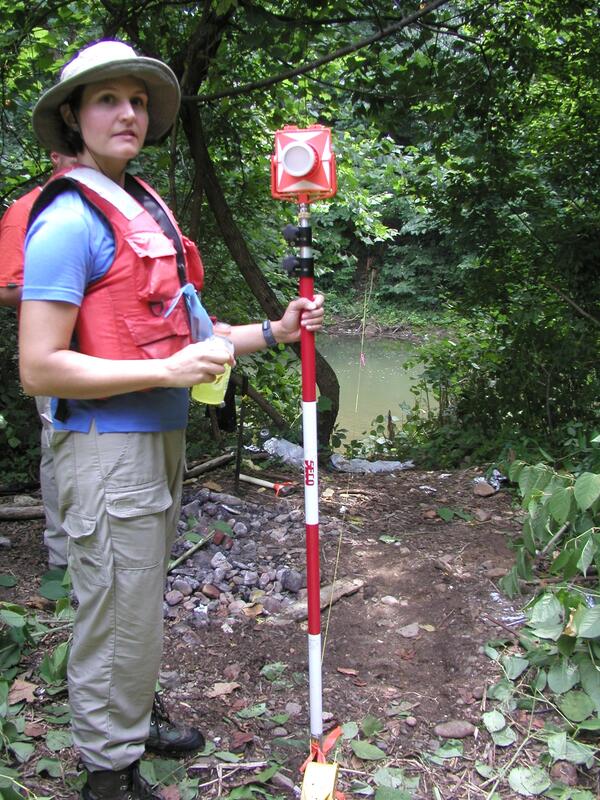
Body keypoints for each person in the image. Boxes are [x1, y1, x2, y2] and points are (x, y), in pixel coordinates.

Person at [19, 40, 325, 800]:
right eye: (105, 99)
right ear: (71, 116)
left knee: (134, 595)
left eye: (137, 99)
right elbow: (39, 366)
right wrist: (163, 373)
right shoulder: (68, 223)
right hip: (103, 449)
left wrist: (274, 333)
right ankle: (108, 771)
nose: (127, 112)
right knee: (113, 606)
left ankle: (131, 719)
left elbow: (187, 333)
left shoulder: (141, 203)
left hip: (154, 441)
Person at [0, 152, 76, 569]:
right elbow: (7, 286)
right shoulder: (27, 208)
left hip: (108, 349)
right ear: (55, 150)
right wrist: (67, 289)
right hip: (53, 347)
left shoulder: (113, 202)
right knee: (60, 442)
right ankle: (62, 557)